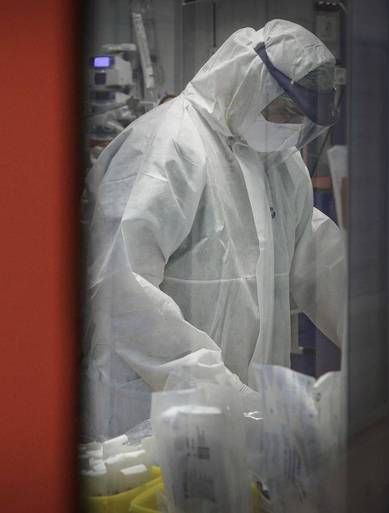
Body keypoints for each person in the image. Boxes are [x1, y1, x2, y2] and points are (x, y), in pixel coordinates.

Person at [82, 19, 346, 439]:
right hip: (149, 412)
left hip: (240, 412)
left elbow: (316, 259)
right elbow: (121, 288)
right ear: (251, 83)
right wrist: (218, 388)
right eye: (285, 110)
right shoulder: (170, 145)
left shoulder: (278, 160)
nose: (290, 127)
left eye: (300, 118)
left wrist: (376, 330)